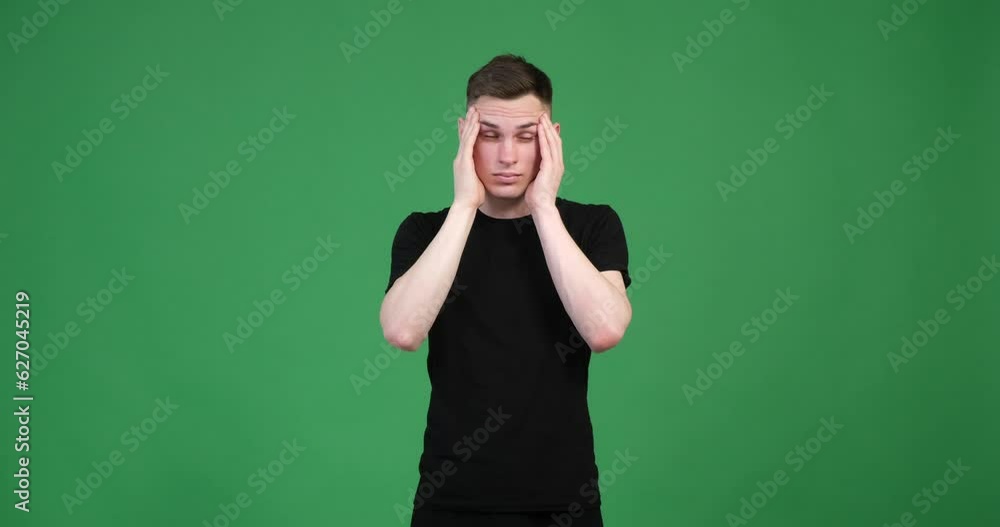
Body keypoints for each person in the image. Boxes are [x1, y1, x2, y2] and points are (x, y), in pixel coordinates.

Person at [380, 54, 632, 527]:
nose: (508, 156)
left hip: (565, 502)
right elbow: (402, 331)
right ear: (465, 136)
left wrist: (543, 207)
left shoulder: (592, 225)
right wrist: (464, 206)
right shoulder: (424, 231)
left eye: (526, 136)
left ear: (552, 138)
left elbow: (605, 330)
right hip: (451, 502)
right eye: (490, 135)